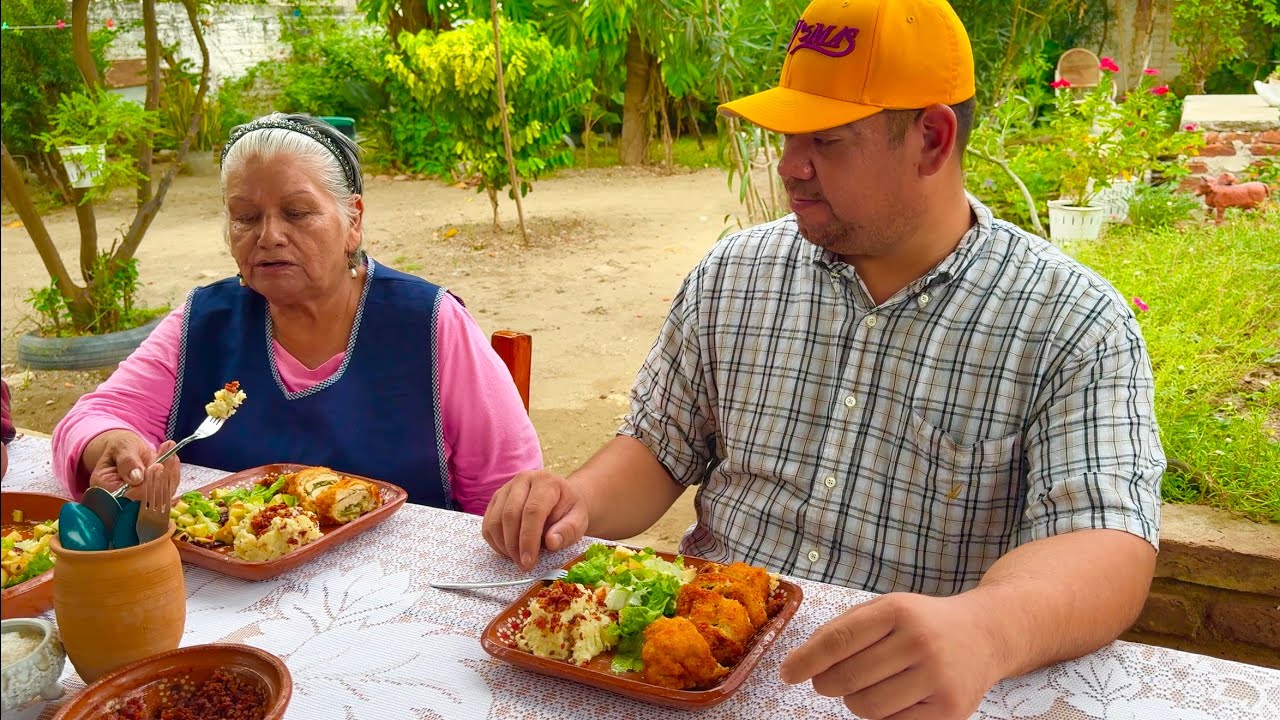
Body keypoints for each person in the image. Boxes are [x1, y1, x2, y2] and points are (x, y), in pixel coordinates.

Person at [481, 1, 1163, 718]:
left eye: (827, 141)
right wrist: (579, 499)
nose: (790, 166)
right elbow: (658, 448)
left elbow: (1105, 543)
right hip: (702, 670)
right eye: (788, 135)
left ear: (931, 139)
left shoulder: (1070, 322)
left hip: (901, 689)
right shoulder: (736, 273)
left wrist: (986, 629)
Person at [53, 113, 541, 513]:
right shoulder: (203, 322)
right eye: (245, 217)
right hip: (230, 579)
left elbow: (506, 492)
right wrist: (111, 443)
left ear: (353, 221)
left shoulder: (429, 324)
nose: (268, 236)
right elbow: (97, 416)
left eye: (297, 212)